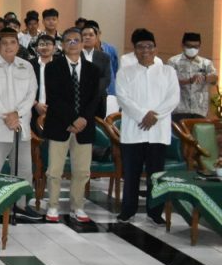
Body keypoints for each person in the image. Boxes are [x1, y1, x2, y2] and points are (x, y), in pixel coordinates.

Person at [115, 28, 180, 224]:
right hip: (134, 131)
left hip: (158, 132)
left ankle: (155, 212)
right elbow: (123, 98)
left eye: (149, 46)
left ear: (156, 49)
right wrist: (143, 115)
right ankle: (128, 210)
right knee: (131, 174)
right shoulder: (125, 72)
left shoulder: (168, 72)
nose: (145, 50)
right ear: (134, 51)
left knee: (156, 175)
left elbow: (173, 98)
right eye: (140, 47)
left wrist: (155, 116)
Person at [0, 29, 41, 221]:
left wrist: (17, 114)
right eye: (4, 43)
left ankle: (20, 205)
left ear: (18, 45)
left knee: (23, 170)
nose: (8, 46)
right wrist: (7, 116)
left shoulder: (26, 66)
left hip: (21, 126)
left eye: (12, 42)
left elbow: (32, 93)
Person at [42, 28, 102, 223]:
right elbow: (54, 98)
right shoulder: (52, 67)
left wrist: (82, 119)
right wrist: (71, 120)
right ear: (62, 45)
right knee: (54, 171)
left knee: (82, 171)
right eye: (68, 40)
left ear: (83, 43)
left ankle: (78, 206)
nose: (73, 43)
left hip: (85, 126)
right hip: (60, 125)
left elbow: (95, 99)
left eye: (77, 40)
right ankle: (53, 206)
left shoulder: (93, 70)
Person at [167, 32, 218, 121]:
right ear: (183, 45)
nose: (192, 49)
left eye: (196, 47)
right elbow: (168, 82)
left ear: (199, 46)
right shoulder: (173, 61)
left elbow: (215, 77)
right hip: (179, 109)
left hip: (200, 110)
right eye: (189, 46)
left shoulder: (206, 63)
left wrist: (205, 77)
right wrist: (189, 81)